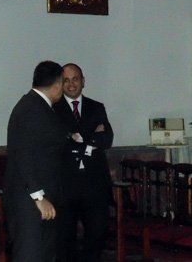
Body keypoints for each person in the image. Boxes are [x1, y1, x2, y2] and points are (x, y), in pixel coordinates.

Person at [3, 61, 68, 261]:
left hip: (40, 198)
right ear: (57, 85)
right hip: (30, 202)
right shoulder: (31, 108)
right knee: (30, 254)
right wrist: (39, 197)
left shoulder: (38, 106)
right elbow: (24, 154)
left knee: (44, 254)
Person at [53, 63, 114, 261]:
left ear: (83, 81)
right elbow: (58, 141)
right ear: (60, 84)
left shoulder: (96, 107)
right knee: (65, 241)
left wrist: (78, 136)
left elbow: (107, 139)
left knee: (96, 237)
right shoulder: (52, 108)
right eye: (66, 80)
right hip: (66, 186)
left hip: (94, 185)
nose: (71, 84)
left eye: (75, 79)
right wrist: (89, 135)